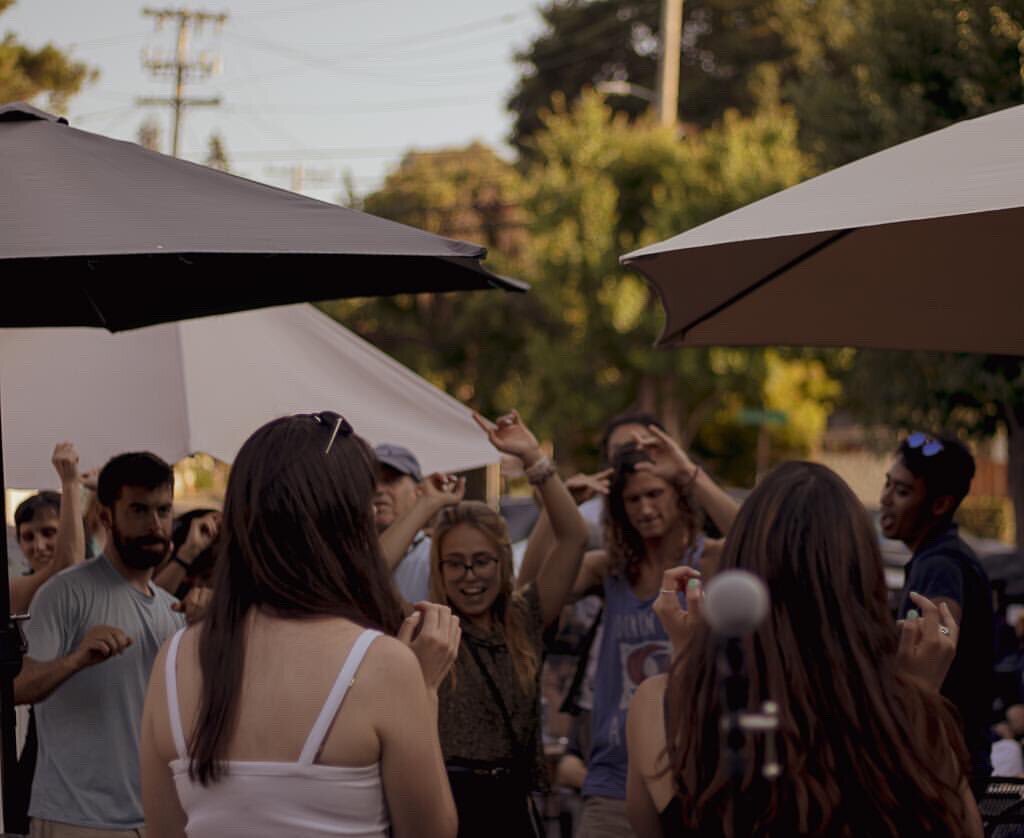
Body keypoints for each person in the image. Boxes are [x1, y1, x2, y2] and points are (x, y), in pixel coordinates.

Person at [140, 411, 459, 838]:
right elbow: (431, 831)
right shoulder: (384, 666)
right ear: (348, 524)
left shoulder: (176, 660)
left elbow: (163, 829)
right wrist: (425, 690)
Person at [627, 461, 982, 837]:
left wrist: (691, 666)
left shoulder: (660, 704)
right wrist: (921, 702)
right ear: (862, 580)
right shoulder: (897, 710)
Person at [402, 409, 588, 838]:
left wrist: (532, 460)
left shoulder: (524, 618)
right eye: (456, 564)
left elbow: (574, 536)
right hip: (443, 801)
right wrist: (427, 506)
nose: (471, 577)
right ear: (439, 570)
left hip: (511, 806)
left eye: (482, 561)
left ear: (503, 561)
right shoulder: (426, 628)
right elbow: (369, 572)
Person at [574, 427, 739, 837]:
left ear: (679, 496)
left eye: (655, 494)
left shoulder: (713, 560)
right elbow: (534, 593)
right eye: (633, 499)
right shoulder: (609, 570)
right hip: (614, 778)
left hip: (695, 769)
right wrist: (554, 506)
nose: (645, 508)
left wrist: (688, 472)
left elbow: (761, 542)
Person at [15, 451, 185, 837]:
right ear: (106, 516)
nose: (155, 524)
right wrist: (75, 660)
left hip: (155, 817)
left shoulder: (170, 608)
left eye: (163, 510)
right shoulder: (64, 593)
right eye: (139, 510)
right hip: (77, 819)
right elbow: (14, 686)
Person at [880, 432, 994, 790]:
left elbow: (942, 633)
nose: (884, 500)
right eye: (888, 484)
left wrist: (939, 634)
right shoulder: (937, 557)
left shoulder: (941, 564)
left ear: (940, 504)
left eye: (901, 492)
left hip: (946, 768)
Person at [11, 442, 86, 614]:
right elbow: (68, 569)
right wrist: (70, 483)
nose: (39, 546)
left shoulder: (96, 584)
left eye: (49, 533)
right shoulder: (14, 591)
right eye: (28, 537)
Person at [374, 443, 436, 603]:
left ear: (419, 491)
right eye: (371, 480)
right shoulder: (349, 552)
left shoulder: (433, 556)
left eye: (390, 480)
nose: (379, 489)